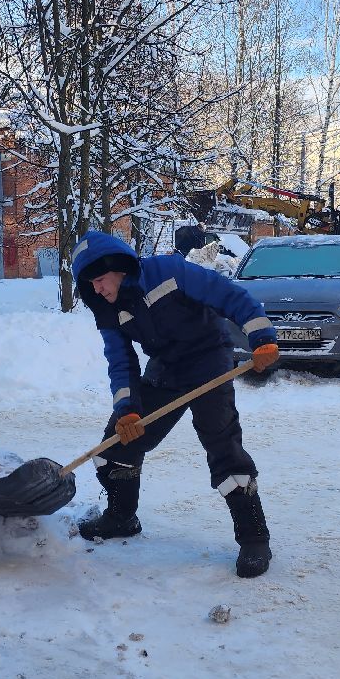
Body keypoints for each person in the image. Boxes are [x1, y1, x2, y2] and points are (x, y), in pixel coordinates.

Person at [70, 230, 280, 578]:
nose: (97, 289)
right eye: (90, 284)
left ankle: (254, 539)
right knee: (117, 443)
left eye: (100, 280)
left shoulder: (168, 271)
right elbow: (120, 361)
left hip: (209, 358)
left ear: (117, 267)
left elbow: (228, 295)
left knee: (222, 443)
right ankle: (122, 517)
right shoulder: (107, 309)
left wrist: (262, 336)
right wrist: (127, 409)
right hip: (166, 367)